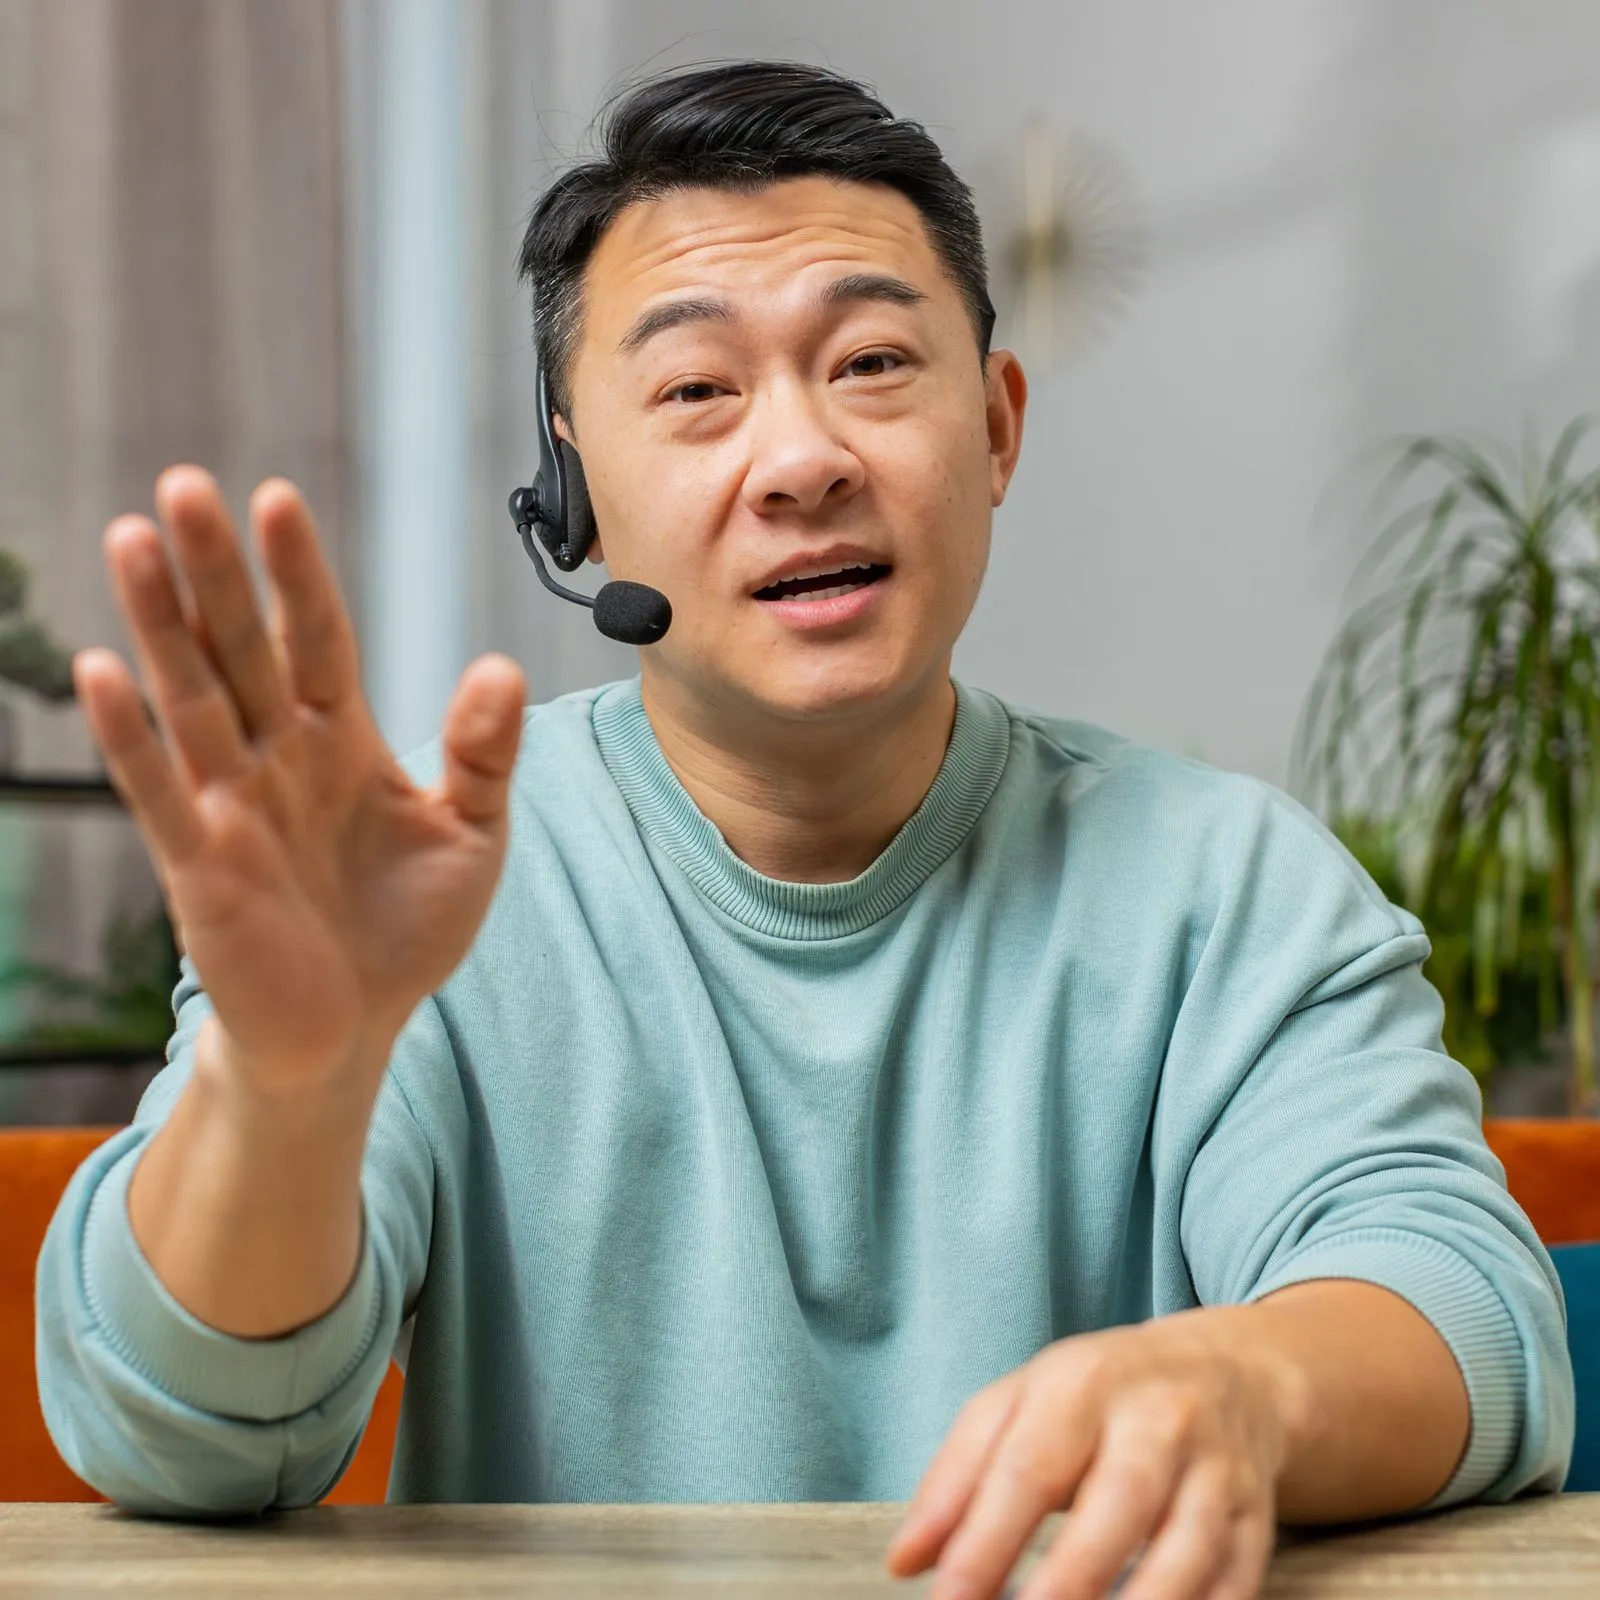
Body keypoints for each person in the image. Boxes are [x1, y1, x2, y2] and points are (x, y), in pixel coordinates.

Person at [37, 59, 1570, 1600]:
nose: (804, 460)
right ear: (573, 496)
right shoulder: (428, 884)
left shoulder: (1228, 887)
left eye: (874, 363)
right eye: (698, 392)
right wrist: (294, 1084)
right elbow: (184, 1441)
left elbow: (1468, 1318)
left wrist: (1245, 1387)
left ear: (996, 429)